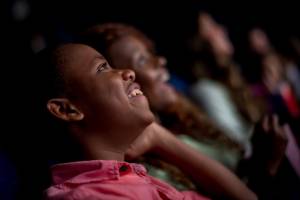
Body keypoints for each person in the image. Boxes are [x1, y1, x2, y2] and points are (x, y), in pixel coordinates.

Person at [37, 43, 256, 199]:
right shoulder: (89, 196)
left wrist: (158, 137)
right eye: (102, 68)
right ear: (68, 109)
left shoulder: (135, 178)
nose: (129, 73)